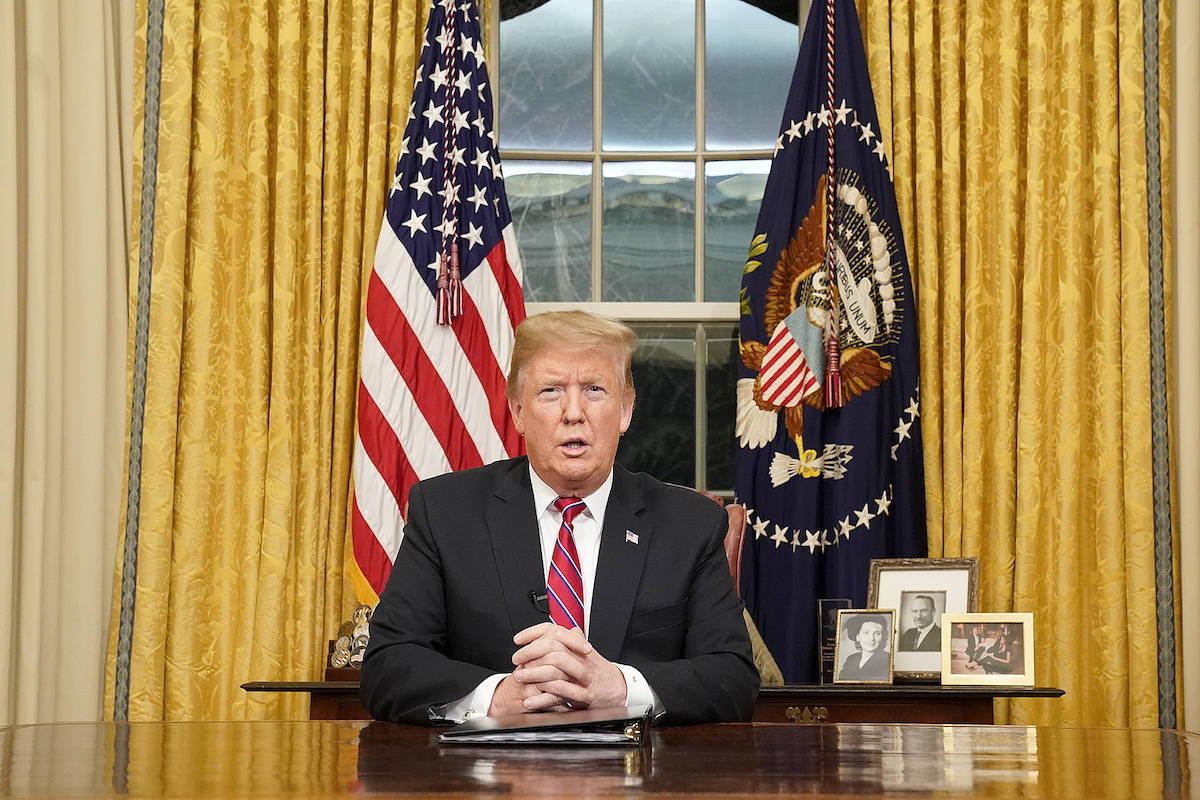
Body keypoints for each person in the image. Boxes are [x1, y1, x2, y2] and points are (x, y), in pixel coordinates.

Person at [360, 310, 759, 725]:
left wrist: (620, 688)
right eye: (551, 391)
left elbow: (732, 678)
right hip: (486, 780)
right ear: (517, 411)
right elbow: (387, 667)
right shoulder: (445, 512)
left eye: (594, 390)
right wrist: (497, 697)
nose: (573, 412)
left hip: (637, 779)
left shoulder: (689, 524)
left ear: (625, 410)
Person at [838, 614, 891, 680]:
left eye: (877, 633)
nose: (872, 638)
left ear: (882, 637)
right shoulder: (851, 659)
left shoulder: (887, 659)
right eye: (866, 632)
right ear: (857, 636)